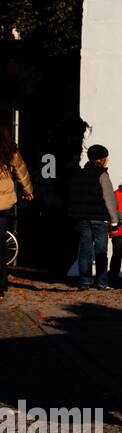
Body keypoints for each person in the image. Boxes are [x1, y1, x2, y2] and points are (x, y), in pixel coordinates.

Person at [68, 144, 122, 290]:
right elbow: (109, 199)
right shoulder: (102, 175)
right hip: (99, 218)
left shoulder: (79, 173)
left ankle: (85, 281)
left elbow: (74, 196)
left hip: (82, 217)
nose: (107, 161)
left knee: (84, 249)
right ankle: (102, 282)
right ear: (102, 159)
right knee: (100, 251)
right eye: (106, 158)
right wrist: (115, 220)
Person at [0, 122, 35, 301]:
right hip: (4, 203)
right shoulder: (10, 150)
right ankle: (1, 284)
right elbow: (21, 172)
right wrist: (28, 191)